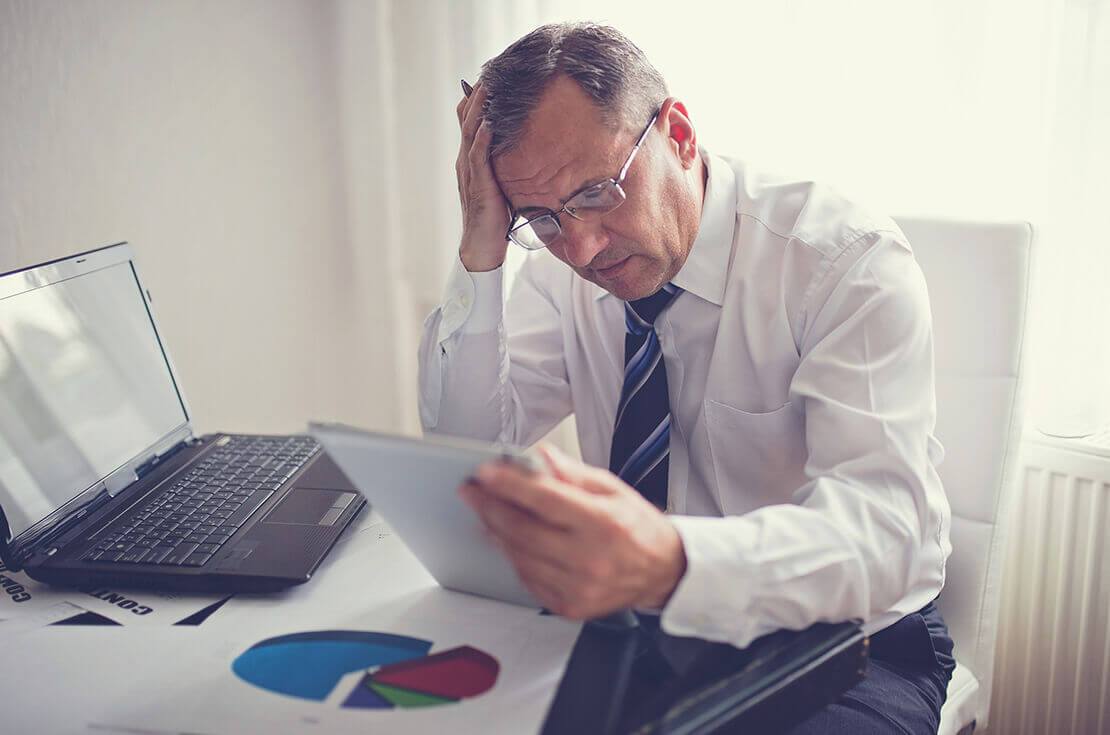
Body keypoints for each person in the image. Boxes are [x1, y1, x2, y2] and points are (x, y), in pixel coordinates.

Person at [418, 22, 955, 733]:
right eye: (542, 219)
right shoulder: (559, 275)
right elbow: (468, 444)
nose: (580, 246)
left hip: (846, 641)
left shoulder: (844, 263)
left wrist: (673, 562)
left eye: (596, 192)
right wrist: (482, 241)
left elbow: (887, 537)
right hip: (643, 626)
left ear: (678, 133)